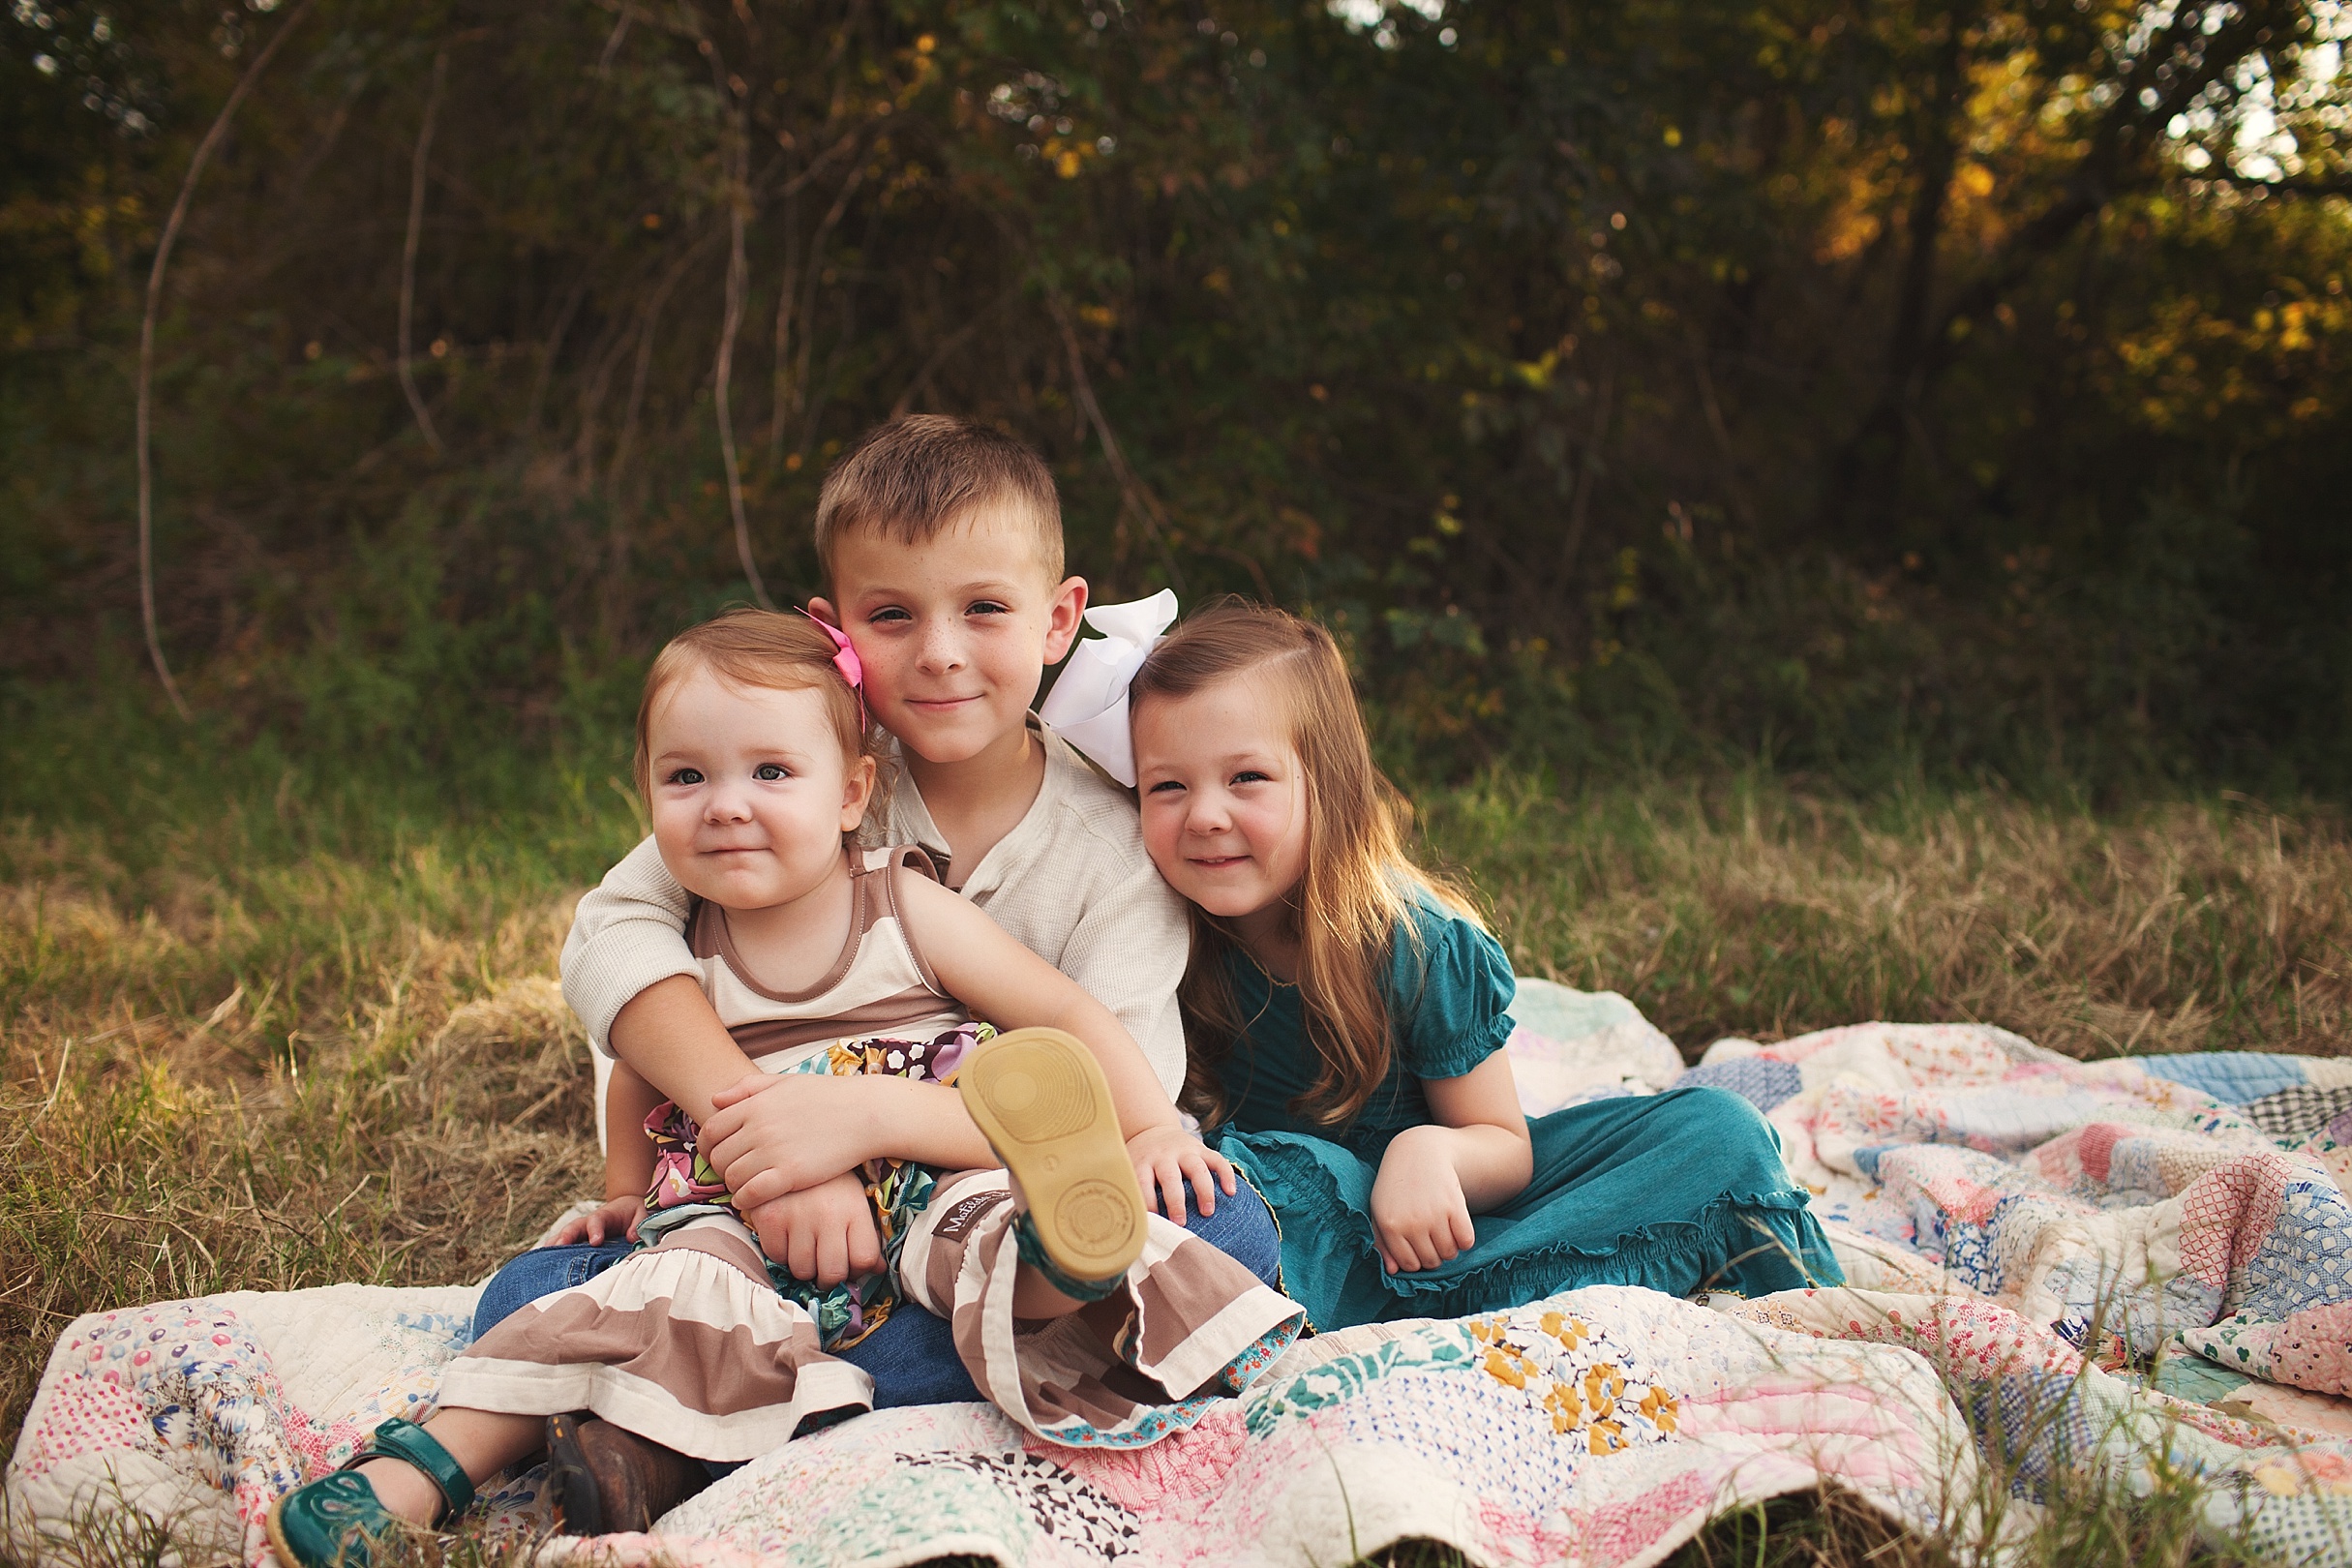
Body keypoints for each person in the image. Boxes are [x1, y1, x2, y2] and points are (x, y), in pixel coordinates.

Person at [263, 611, 1302, 1568]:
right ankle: (412, 1478)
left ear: (852, 791)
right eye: (685, 781)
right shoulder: (680, 949)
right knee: (648, 1289)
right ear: (648, 794)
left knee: (989, 1226)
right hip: (735, 1209)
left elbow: (1069, 1019)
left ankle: (1045, 1264)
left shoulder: (900, 901)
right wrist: (625, 1187)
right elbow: (635, 1074)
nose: (726, 807)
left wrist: (1150, 1124)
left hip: (927, 1170)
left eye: (769, 772)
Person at [472, 415, 1283, 1399]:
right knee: (523, 1295)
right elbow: (611, 932)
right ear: (835, 630)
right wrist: (773, 1147)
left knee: (1224, 1228)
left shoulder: (1115, 849)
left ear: (1059, 619)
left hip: (993, 1209)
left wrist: (863, 1116)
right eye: (892, 615)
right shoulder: (804, 782)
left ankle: (762, 1375)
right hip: (773, 1219)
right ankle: (864, 1364)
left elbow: (1116, 1105)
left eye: (985, 607)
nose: (940, 654)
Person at [1123, 602, 1845, 1332]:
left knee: (1717, 1131)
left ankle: (1496, 1277)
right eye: (1168, 787)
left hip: (1459, 1206)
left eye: (1246, 777)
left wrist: (1429, 1153)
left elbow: (1504, 1147)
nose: (1205, 816)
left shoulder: (1417, 942)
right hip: (1307, 1208)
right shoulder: (1163, 930)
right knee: (1244, 1184)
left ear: (1329, 784)